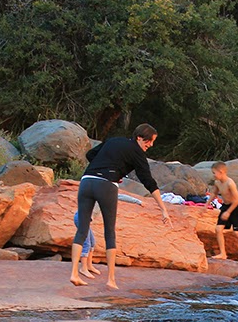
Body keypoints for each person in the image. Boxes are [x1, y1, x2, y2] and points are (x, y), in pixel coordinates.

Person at [71, 122, 170, 290]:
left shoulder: (113, 140)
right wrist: (163, 209)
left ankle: (74, 274)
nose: (150, 145)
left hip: (86, 181)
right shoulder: (137, 152)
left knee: (82, 229)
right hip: (106, 185)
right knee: (110, 232)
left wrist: (108, 167)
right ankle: (111, 279)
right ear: (140, 138)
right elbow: (148, 181)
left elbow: (90, 154)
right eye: (149, 141)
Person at [73, 192, 143, 278]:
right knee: (86, 244)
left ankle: (89, 265)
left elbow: (120, 196)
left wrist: (137, 201)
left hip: (84, 220)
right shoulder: (98, 194)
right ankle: (83, 268)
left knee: (92, 242)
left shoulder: (106, 193)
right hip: (81, 219)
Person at [209, 161, 238, 265]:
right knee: (218, 229)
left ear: (221, 172)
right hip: (225, 206)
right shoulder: (217, 182)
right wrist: (206, 204)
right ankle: (223, 253)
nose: (213, 175)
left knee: (237, 233)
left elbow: (237, 199)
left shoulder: (230, 183)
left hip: (235, 207)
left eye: (214, 173)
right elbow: (214, 193)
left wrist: (229, 212)